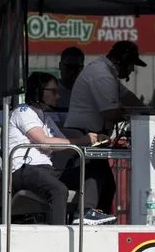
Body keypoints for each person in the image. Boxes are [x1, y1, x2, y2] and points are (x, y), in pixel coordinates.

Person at [7, 73, 110, 225]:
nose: (58, 96)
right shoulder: (23, 111)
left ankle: (85, 212)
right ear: (38, 92)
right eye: (53, 91)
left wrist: (93, 141)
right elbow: (44, 142)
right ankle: (58, 234)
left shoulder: (45, 118)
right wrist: (83, 140)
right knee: (58, 190)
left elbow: (66, 146)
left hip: (46, 170)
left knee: (98, 168)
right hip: (24, 169)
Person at [61, 40, 146, 215]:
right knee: (97, 176)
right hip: (83, 137)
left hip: (91, 137)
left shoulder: (106, 72)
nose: (132, 70)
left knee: (107, 184)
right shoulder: (102, 75)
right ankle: (87, 213)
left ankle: (97, 216)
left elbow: (128, 97)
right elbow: (111, 114)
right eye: (131, 65)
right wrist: (135, 115)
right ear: (122, 62)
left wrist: (149, 111)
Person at [56, 46, 86, 110]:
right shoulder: (51, 91)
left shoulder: (88, 92)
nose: (72, 71)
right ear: (60, 66)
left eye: (76, 67)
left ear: (82, 68)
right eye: (68, 67)